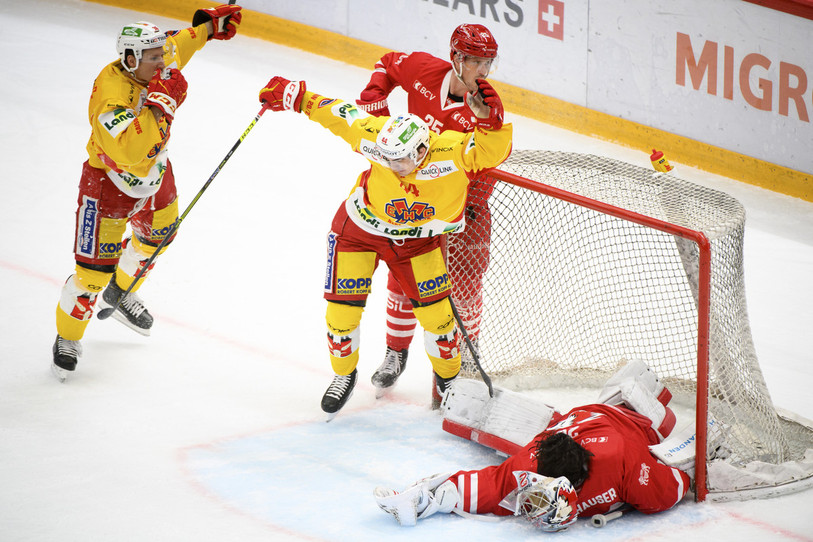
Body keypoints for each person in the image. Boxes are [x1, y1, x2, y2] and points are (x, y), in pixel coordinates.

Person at [257, 72, 512, 420]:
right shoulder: (377, 139)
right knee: (341, 316)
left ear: (423, 150)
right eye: (388, 159)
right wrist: (296, 96)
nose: (395, 167)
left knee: (439, 320)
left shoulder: (451, 150)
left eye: (402, 160)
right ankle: (343, 374)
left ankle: (450, 383)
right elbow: (338, 113)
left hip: (416, 242)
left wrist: (491, 123)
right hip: (359, 231)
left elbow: (490, 152)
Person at [52, 5, 243, 381]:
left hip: (155, 175)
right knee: (91, 276)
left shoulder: (152, 58)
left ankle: (120, 293)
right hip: (109, 182)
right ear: (129, 58)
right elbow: (130, 151)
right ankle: (68, 337)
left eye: (160, 56)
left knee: (158, 238)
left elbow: (177, 45)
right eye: (154, 58)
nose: (163, 64)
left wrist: (208, 27)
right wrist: (163, 103)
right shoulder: (112, 95)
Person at [355, 24, 500, 401]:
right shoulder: (423, 71)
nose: (484, 73)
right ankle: (395, 352)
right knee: (404, 281)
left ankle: (464, 364)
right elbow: (386, 64)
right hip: (413, 200)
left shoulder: (484, 106)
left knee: (465, 289)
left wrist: (466, 202)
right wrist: (376, 100)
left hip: (465, 207)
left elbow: (492, 156)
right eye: (477, 62)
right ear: (457, 58)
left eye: (489, 63)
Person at [374, 361, 691, 530]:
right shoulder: (530, 464)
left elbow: (665, 489)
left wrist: (689, 467)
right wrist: (422, 498)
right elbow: (483, 485)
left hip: (628, 419)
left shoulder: (621, 461)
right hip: (578, 420)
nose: (531, 510)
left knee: (651, 398)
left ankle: (634, 387)